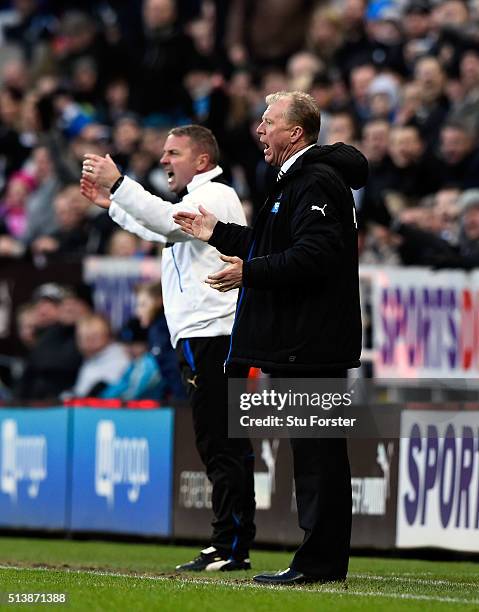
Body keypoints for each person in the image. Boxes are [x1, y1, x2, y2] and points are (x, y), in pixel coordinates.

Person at [174, 91, 369, 585]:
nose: (259, 131)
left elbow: (315, 255)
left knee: (318, 455)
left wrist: (250, 273)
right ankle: (319, 560)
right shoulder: (294, 181)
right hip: (299, 339)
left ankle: (319, 563)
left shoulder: (318, 181)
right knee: (312, 453)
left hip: (313, 341)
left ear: (295, 133)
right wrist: (217, 232)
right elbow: (273, 245)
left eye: (268, 123)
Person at [80, 124, 255, 572]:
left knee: (220, 441)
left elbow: (164, 222)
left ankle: (229, 543)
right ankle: (230, 541)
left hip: (212, 334)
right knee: (220, 440)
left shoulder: (214, 195)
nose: (163, 161)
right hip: (207, 334)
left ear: (201, 160)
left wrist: (118, 184)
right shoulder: (203, 198)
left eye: (172, 152)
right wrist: (113, 206)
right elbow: (163, 231)